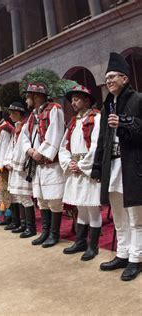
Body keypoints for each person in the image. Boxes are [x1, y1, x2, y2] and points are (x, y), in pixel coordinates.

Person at [92, 53, 142, 281]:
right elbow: (102, 139)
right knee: (119, 216)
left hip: (133, 165)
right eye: (106, 77)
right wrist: (96, 167)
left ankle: (136, 258)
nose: (109, 80)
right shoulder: (106, 106)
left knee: (136, 217)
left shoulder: (138, 100)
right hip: (111, 167)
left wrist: (125, 123)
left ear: (125, 78)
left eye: (113, 76)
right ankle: (122, 254)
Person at [59, 85, 101, 261]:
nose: (74, 103)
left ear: (87, 100)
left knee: (92, 206)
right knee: (80, 206)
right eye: (72, 100)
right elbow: (63, 146)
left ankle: (93, 246)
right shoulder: (73, 122)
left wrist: (82, 165)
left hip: (88, 169)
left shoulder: (96, 118)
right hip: (75, 167)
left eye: (77, 99)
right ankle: (81, 241)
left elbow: (96, 144)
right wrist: (69, 162)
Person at [22, 83, 65, 248]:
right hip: (37, 162)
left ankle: (54, 234)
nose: (28, 99)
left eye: (30, 96)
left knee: (54, 198)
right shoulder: (32, 115)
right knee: (41, 199)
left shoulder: (55, 109)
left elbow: (56, 133)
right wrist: (30, 150)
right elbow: (25, 137)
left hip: (51, 163)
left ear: (36, 96)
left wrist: (43, 152)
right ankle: (45, 232)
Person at [5, 101, 36, 237]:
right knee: (18, 195)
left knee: (24, 196)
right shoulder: (17, 126)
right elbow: (12, 146)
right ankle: (24, 224)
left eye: (12, 113)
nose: (10, 116)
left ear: (17, 113)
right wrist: (8, 160)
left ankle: (30, 227)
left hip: (22, 166)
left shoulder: (25, 126)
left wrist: (16, 162)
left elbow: (24, 146)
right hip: (15, 165)